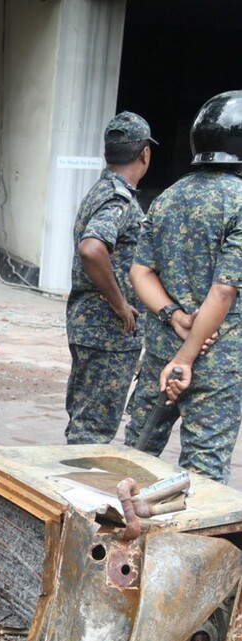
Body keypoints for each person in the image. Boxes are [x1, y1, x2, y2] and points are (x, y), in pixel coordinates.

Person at [125, 90, 242, 484]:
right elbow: (224, 290)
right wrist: (188, 358)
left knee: (135, 457)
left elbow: (140, 271)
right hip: (214, 364)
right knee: (203, 474)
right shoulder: (240, 202)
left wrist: (172, 316)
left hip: (161, 352)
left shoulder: (168, 197)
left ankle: (112, 537)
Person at [65, 111, 156, 444]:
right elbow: (92, 248)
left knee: (85, 420)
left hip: (91, 327)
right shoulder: (118, 199)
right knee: (93, 430)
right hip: (108, 332)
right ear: (144, 153)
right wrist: (120, 304)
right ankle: (75, 493)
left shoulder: (100, 190)